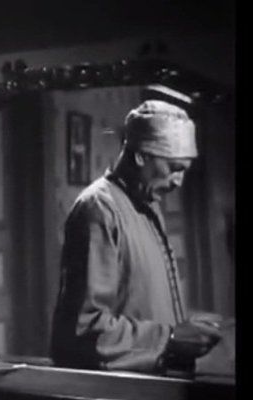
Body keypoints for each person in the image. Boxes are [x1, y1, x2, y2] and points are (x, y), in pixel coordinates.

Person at [51, 100, 222, 374]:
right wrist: (171, 337)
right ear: (141, 156)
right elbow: (85, 330)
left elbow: (140, 305)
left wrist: (187, 327)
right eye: (174, 168)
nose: (178, 181)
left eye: (184, 171)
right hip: (121, 389)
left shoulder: (147, 204)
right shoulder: (99, 209)